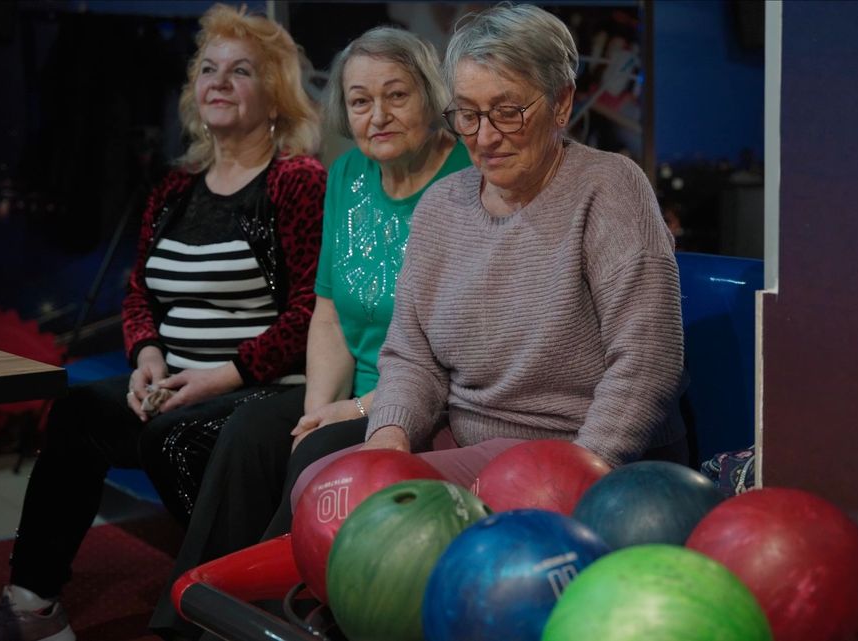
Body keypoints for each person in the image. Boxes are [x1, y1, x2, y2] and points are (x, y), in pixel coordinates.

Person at [0, 5, 325, 641]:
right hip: (173, 384)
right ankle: (32, 606)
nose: (218, 82)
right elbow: (139, 296)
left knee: (170, 439)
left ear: (275, 96)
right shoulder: (175, 188)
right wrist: (148, 356)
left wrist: (223, 375)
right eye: (208, 69)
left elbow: (310, 313)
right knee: (78, 410)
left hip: (261, 391)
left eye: (240, 71)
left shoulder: (298, 182)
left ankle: (231, 601)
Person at [289, 2, 687, 509]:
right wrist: (389, 435)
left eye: (507, 112)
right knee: (320, 485)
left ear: (562, 103)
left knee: (350, 505)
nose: (484, 137)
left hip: (570, 451)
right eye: (468, 114)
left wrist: (580, 472)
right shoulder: (442, 205)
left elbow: (648, 361)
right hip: (469, 437)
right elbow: (412, 356)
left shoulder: (609, 187)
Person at [148, 26, 470, 639]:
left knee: (316, 455)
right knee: (250, 433)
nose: (378, 115)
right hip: (351, 389)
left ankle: (262, 626)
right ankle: (191, 615)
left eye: (396, 95)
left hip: (428, 399)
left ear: (430, 97)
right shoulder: (346, 175)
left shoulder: (465, 178)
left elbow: (463, 345)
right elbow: (326, 311)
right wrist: (317, 408)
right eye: (360, 101)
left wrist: (353, 410)